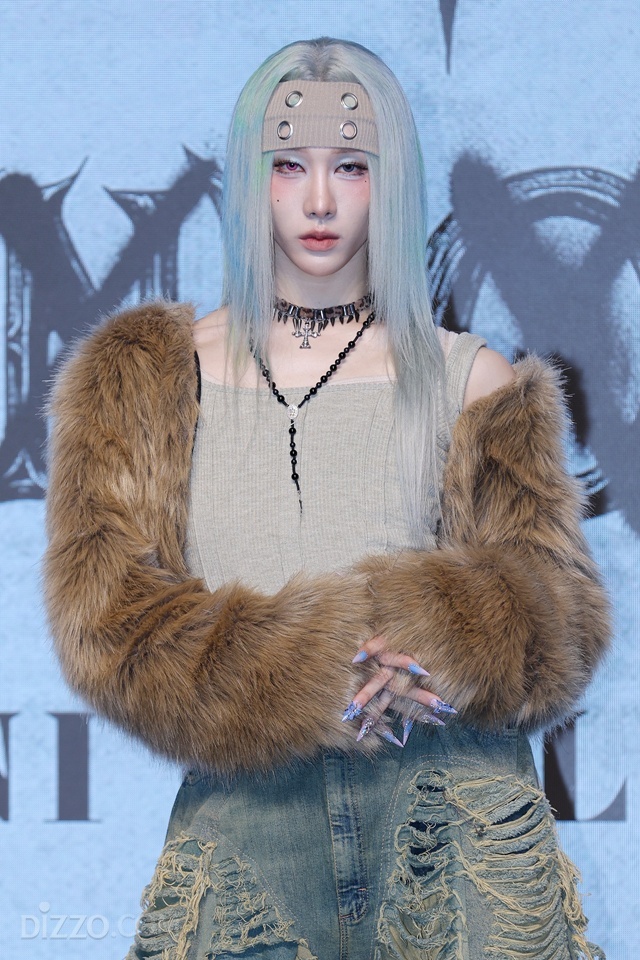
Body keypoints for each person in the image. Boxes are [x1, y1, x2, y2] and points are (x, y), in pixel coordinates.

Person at [44, 37, 609, 960]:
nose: (318, 200)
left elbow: (564, 620)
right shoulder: (142, 378)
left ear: (392, 179)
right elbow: (107, 623)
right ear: (248, 177)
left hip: (450, 817)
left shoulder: (473, 377)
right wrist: (310, 666)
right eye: (287, 165)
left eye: (350, 165)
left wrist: (442, 631)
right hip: (249, 829)